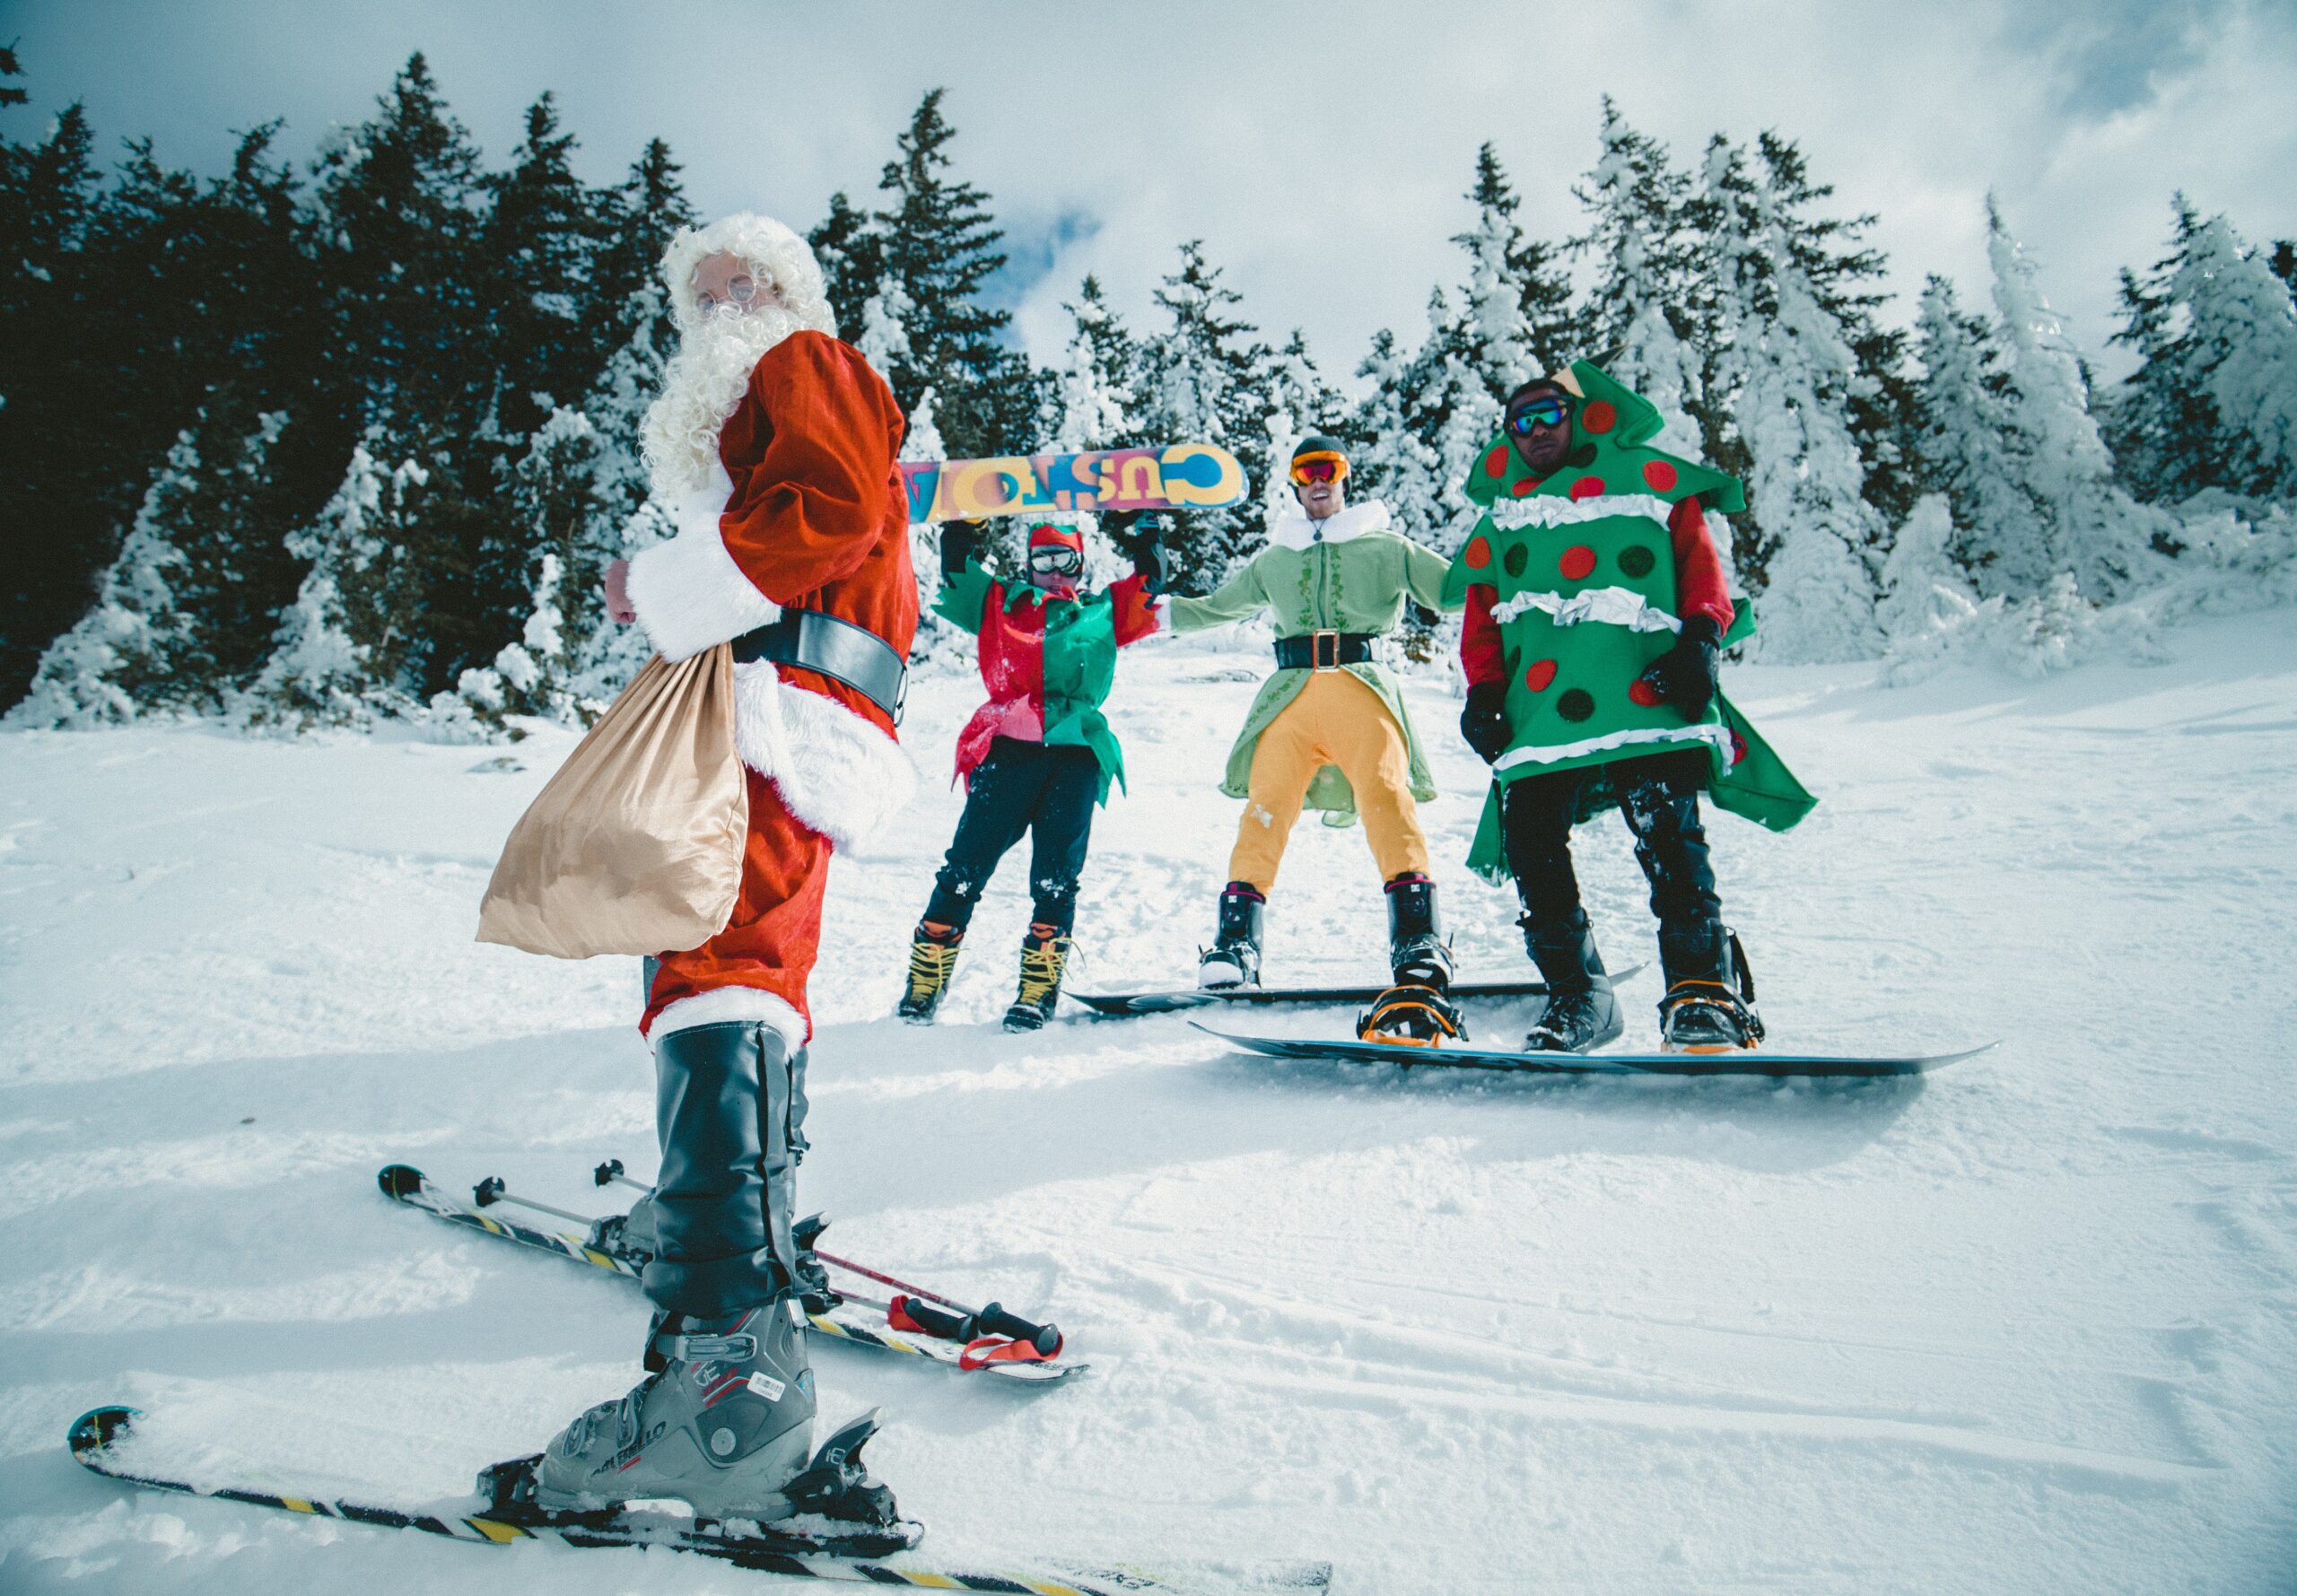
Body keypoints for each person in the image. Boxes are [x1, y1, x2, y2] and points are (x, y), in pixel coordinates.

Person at [542, 214, 916, 1532]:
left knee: (711, 969)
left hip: (775, 706)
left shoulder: (803, 360)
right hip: (789, 705)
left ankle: (726, 1381)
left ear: (792, 294)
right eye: (702, 291)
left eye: (746, 279)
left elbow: (821, 513)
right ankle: (738, 1255)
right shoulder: (771, 395)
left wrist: (657, 585)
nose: (724, 303)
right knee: (740, 974)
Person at [1449, 361, 1813, 1053]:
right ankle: (1579, 996)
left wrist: (1703, 637)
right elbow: (1481, 613)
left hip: (1647, 695)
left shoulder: (1650, 481)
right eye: (1519, 421)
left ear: (1579, 415)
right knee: (1532, 844)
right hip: (1544, 713)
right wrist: (1484, 690)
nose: (1535, 430)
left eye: (1548, 412)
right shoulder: (1503, 519)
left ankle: (1702, 992)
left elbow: (1698, 562)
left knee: (1670, 837)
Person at [1167, 434, 1463, 1040]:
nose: (1319, 480)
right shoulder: (1274, 559)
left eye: (1329, 468)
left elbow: (1457, 589)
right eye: (1307, 472)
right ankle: (1234, 948)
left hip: (1362, 687)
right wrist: (1148, 601)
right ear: (1295, 484)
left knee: (1387, 797)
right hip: (1290, 697)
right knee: (1264, 812)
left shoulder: (1387, 546)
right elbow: (1213, 608)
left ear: (1345, 476)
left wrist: (1509, 553)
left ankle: (1417, 943)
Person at [897, 513, 1168, 1030]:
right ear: (1028, 564)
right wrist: (962, 522)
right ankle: (925, 981)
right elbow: (956, 572)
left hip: (1075, 754)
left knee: (1056, 878)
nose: (1053, 570)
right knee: (964, 869)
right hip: (1008, 749)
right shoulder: (1000, 603)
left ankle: (1037, 990)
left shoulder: (1103, 611)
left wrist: (1147, 531)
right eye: (1042, 559)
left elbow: (1150, 586)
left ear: (1080, 562)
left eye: (1063, 558)